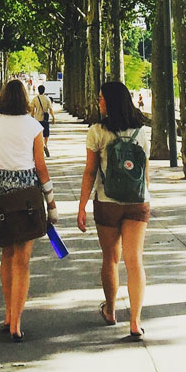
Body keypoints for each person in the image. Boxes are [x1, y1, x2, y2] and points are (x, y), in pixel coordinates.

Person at [0, 79, 57, 342]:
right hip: (28, 198)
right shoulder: (34, 126)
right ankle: (16, 322)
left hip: (2, 197)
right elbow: (40, 166)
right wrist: (51, 202)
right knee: (22, 260)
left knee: (7, 254)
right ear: (24, 98)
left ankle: (6, 314)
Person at [77, 81, 150, 339]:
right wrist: (145, 198)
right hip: (137, 202)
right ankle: (135, 321)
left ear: (108, 102)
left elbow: (90, 171)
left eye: (100, 99)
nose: (99, 102)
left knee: (110, 258)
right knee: (135, 260)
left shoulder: (97, 131)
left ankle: (110, 310)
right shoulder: (140, 131)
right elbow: (144, 171)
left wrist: (82, 205)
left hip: (107, 202)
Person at [29, 85, 54, 157]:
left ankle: (41, 145)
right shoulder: (47, 99)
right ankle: (45, 144)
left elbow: (32, 109)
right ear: (44, 90)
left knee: (38, 134)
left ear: (38, 90)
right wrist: (53, 117)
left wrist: (32, 117)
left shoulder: (35, 99)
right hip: (45, 119)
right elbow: (50, 109)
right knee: (46, 134)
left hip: (37, 119)